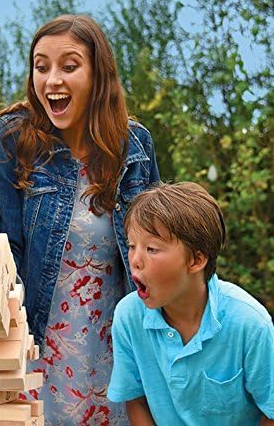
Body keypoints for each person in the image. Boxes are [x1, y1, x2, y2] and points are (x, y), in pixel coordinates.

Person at [0, 14, 159, 424]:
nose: (52, 80)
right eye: (41, 66)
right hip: (39, 345)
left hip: (114, 350)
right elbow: (2, 248)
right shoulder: (14, 139)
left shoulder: (135, 145)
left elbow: (156, 248)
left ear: (98, 74)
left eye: (69, 66)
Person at [108, 182, 273, 425]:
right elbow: (136, 400)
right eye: (132, 246)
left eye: (152, 248)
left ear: (196, 260)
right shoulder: (128, 316)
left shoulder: (250, 324)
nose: (135, 260)